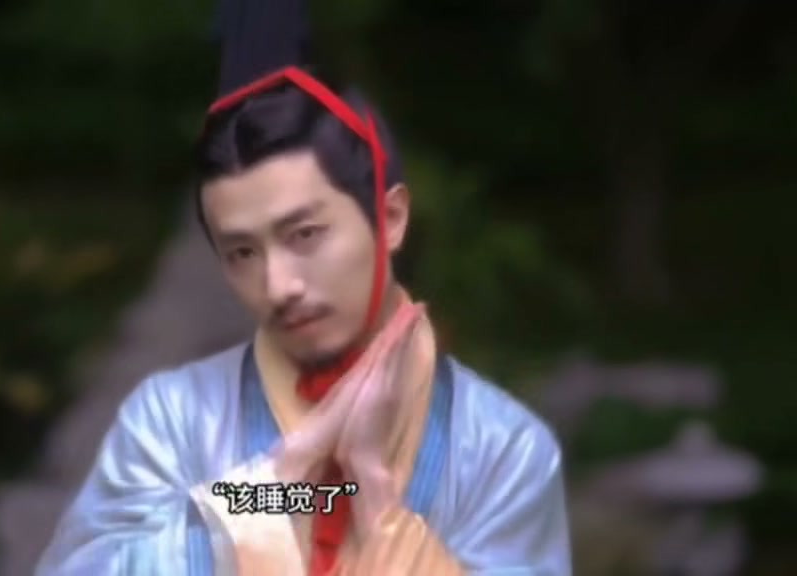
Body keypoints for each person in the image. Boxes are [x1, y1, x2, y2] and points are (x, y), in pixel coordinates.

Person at [36, 0, 571, 574]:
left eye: (305, 234)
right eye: (243, 252)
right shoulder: (172, 419)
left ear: (389, 218)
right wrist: (284, 481)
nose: (278, 285)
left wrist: (372, 493)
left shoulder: (502, 448)